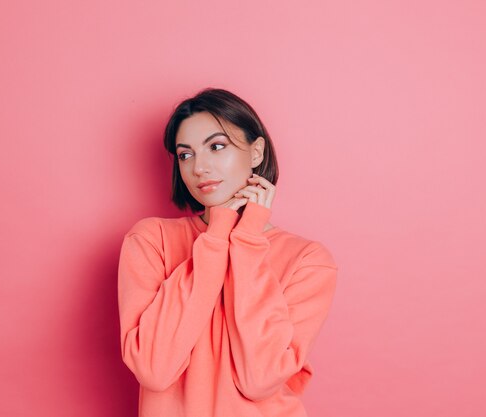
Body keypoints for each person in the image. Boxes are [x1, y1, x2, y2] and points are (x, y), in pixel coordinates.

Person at [117, 87, 338, 417]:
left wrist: (246, 242)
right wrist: (216, 236)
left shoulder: (307, 260)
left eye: (216, 147)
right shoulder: (152, 240)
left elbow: (259, 379)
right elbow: (154, 368)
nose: (199, 167)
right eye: (185, 155)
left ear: (256, 152)